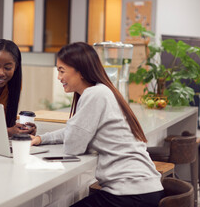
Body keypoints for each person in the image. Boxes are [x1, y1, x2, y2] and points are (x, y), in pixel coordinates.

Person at [31, 42, 164, 207]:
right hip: (143, 188)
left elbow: (73, 147)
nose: (59, 77)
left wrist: (72, 123)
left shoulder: (94, 95)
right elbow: (75, 131)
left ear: (80, 71)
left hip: (131, 194)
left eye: (61, 71)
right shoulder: (101, 90)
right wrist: (41, 139)